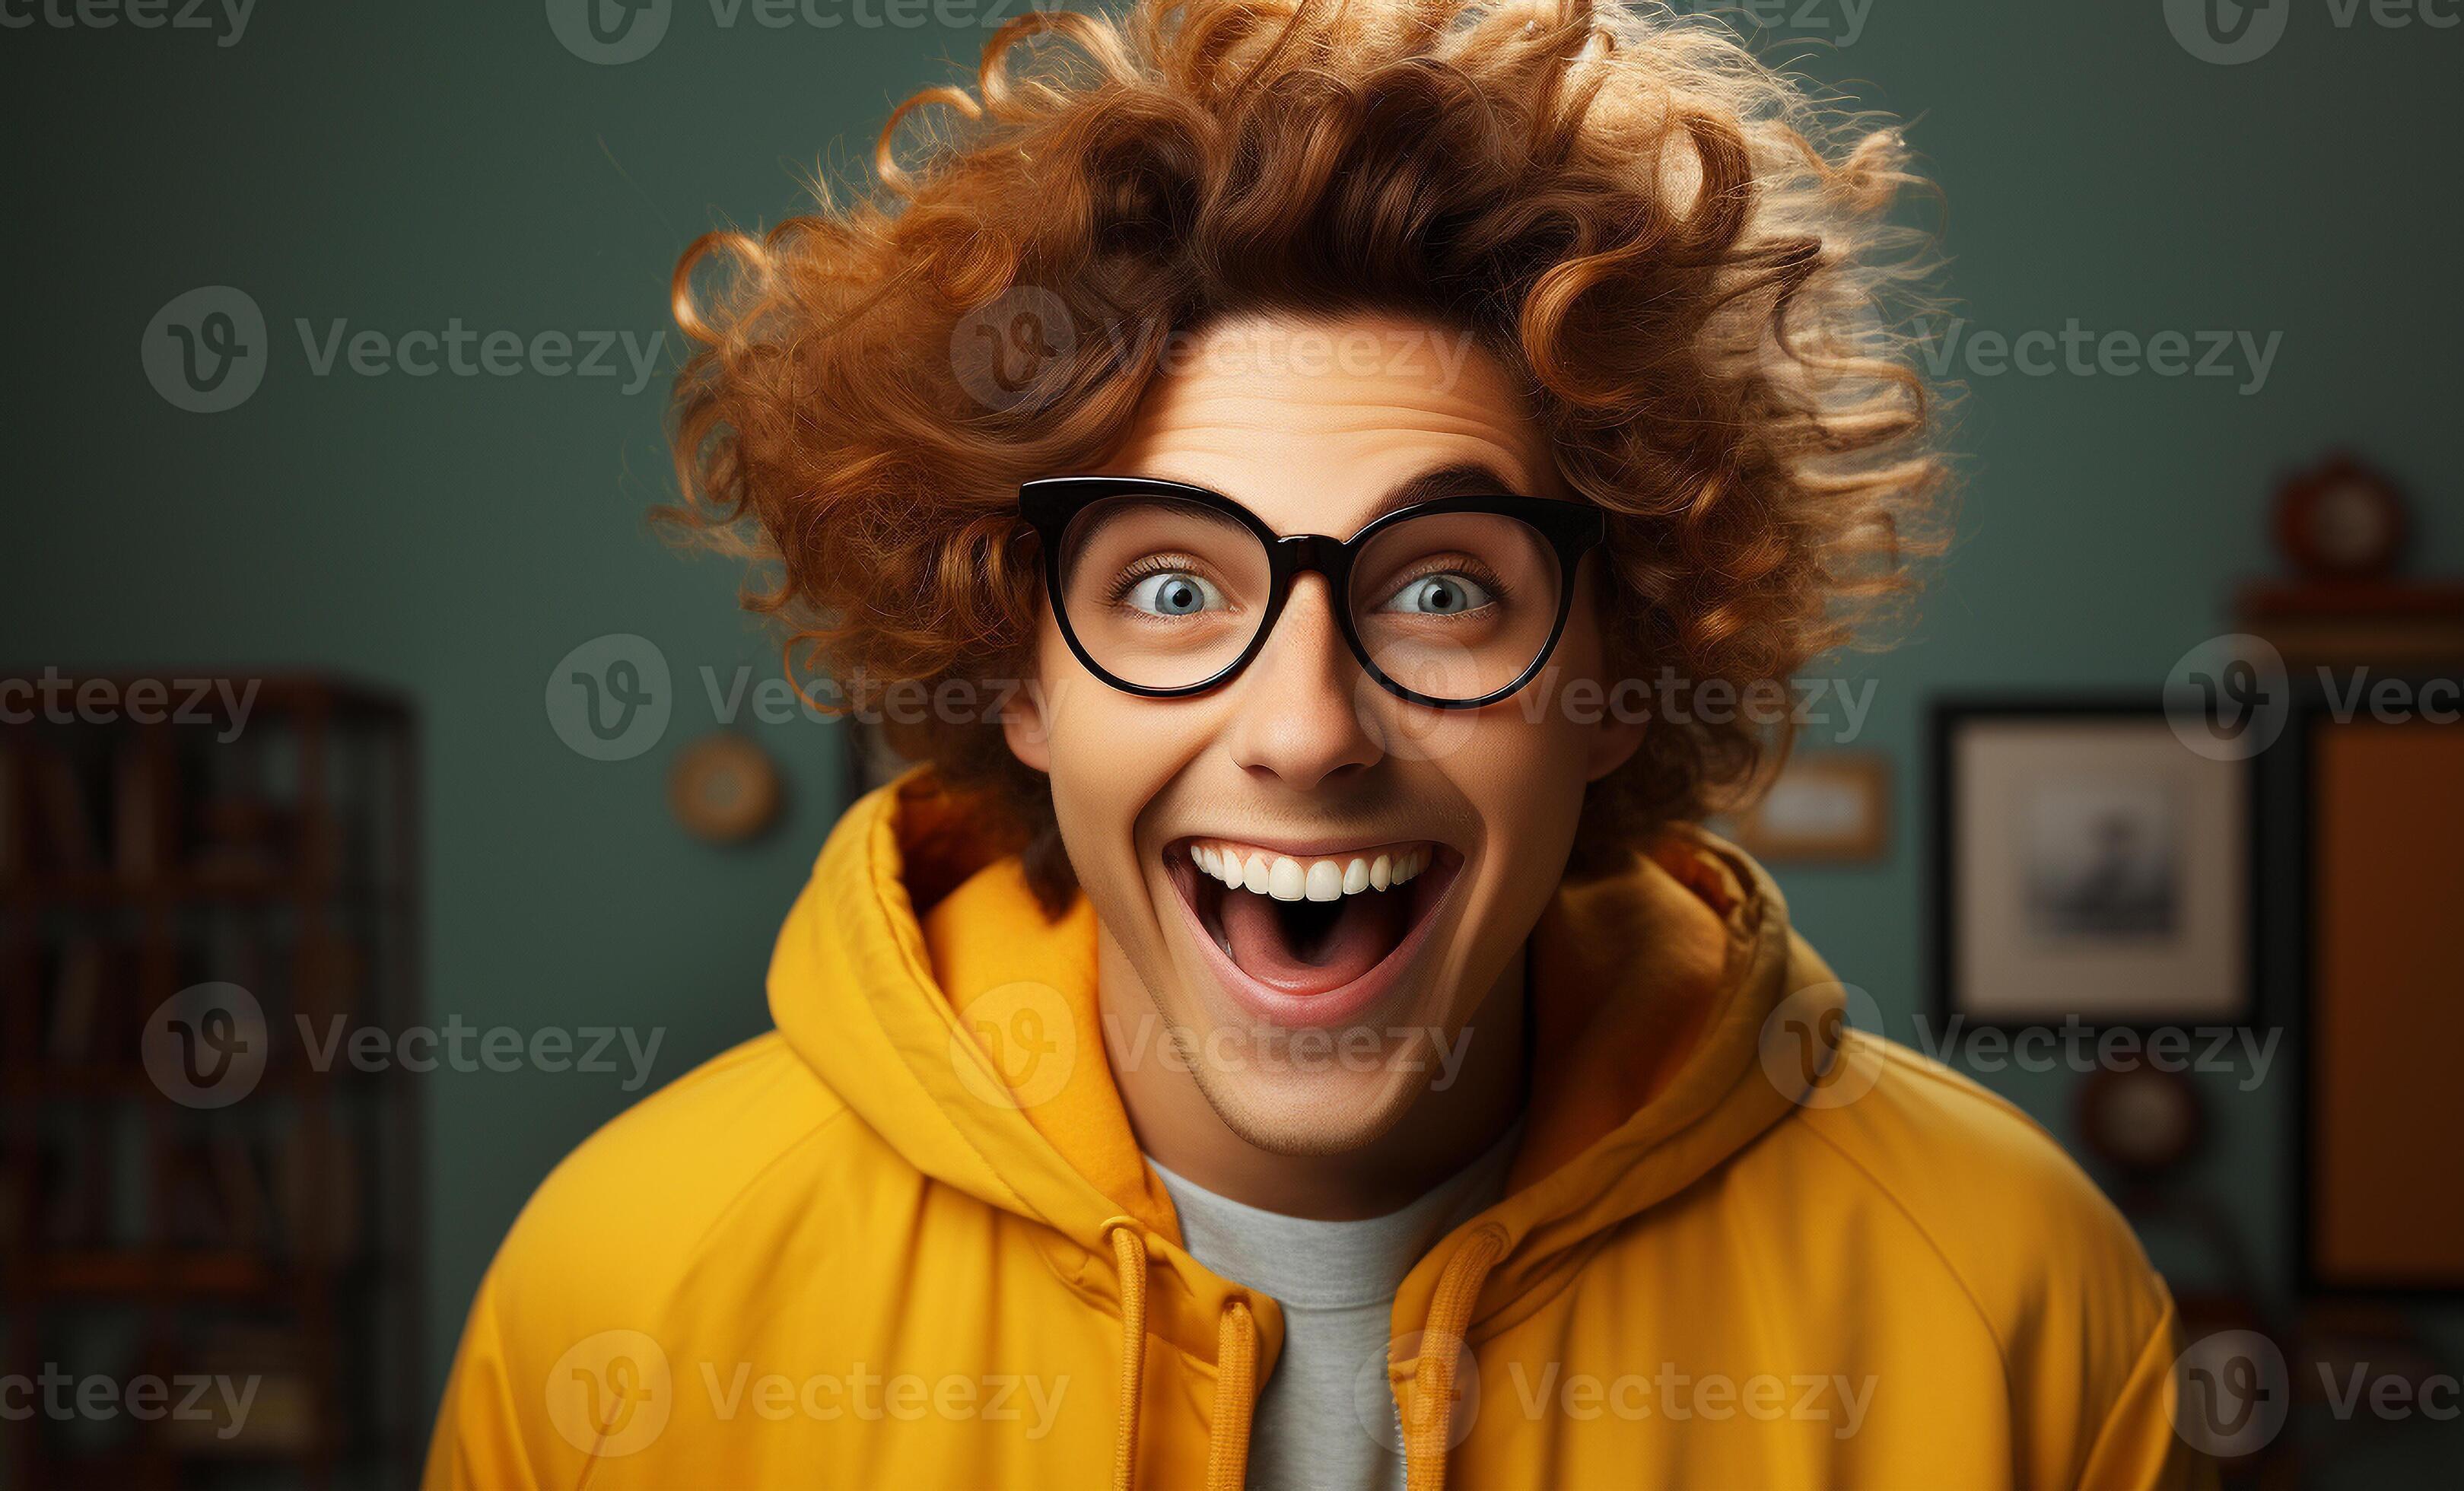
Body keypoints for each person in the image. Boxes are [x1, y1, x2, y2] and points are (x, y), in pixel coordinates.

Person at [426, 1, 2202, 1485]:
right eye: (1175, 591)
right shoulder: (633, 1284)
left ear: (1614, 672)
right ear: (1019, 677)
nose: (1305, 726)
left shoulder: (2010, 1296)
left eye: (1442, 593)